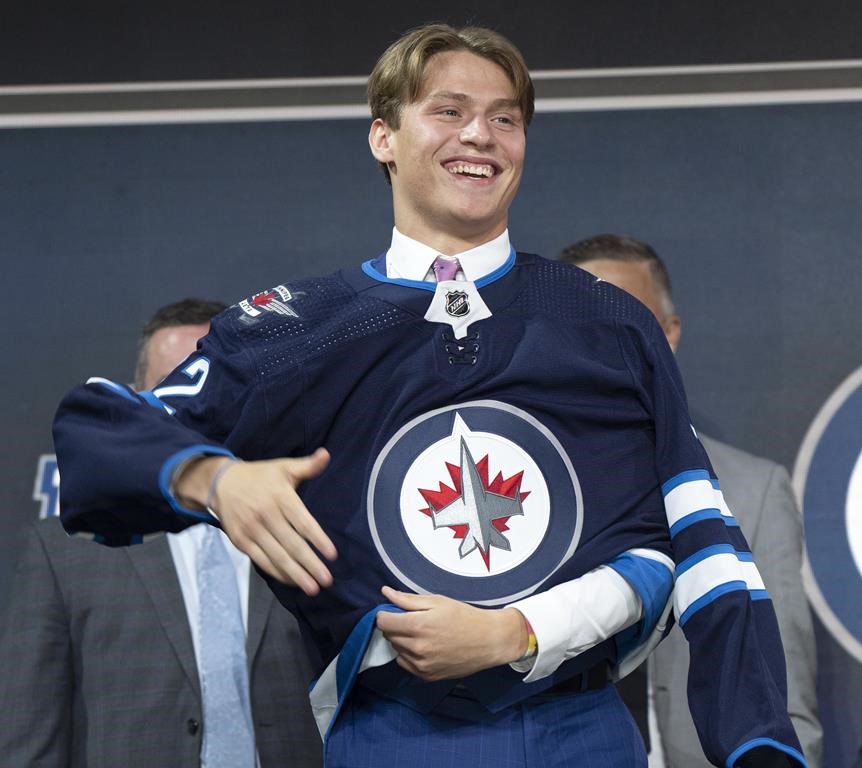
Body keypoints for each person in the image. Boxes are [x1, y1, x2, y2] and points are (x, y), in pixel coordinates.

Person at [53, 24, 807, 768]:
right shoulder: (297, 328)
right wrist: (213, 478)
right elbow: (98, 431)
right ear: (384, 136)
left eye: (504, 117)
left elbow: (691, 544)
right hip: (394, 735)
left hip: (585, 731)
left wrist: (522, 631)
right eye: (448, 111)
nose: (480, 135)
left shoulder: (605, 320)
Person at [0, 299, 321, 768]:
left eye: (211, 389)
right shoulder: (64, 551)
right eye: (171, 394)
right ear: (134, 404)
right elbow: (31, 732)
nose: (193, 413)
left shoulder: (311, 520)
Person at [559, 234, 823, 766]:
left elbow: (782, 700)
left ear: (669, 335)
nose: (606, 344)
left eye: (630, 322)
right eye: (583, 324)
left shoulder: (756, 490)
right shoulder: (518, 490)